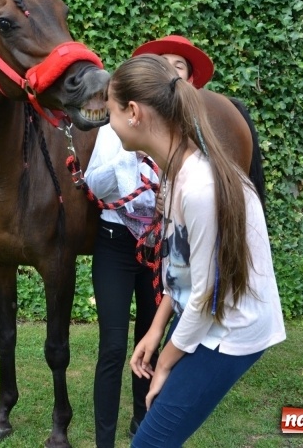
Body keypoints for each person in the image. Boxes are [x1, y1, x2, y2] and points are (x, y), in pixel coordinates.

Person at [105, 53, 286, 447]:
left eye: (110, 111)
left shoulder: (200, 187)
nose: (109, 122)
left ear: (133, 112)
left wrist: (166, 363)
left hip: (229, 330)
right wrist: (156, 330)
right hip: (205, 315)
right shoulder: (176, 171)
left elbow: (206, 296)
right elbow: (181, 266)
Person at [84, 36, 217, 447]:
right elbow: (93, 185)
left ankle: (143, 422)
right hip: (116, 241)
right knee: (112, 346)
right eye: (164, 63)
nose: (171, 70)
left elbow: (197, 281)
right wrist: (129, 152)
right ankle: (105, 439)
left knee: (150, 336)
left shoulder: (189, 158)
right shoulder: (119, 130)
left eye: (179, 66)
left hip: (159, 246)